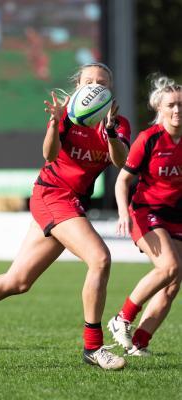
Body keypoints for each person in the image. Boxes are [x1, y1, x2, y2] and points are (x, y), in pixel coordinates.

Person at [0, 62, 131, 370]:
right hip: (52, 195)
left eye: (103, 83)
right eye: (90, 81)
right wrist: (55, 124)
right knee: (100, 258)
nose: (96, 86)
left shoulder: (116, 122)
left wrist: (110, 130)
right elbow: (49, 155)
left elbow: (119, 160)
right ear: (78, 86)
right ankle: (93, 348)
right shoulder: (67, 115)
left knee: (17, 281)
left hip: (71, 202)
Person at [108, 75, 182, 356]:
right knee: (169, 267)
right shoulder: (148, 139)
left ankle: (139, 344)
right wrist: (122, 213)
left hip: (176, 216)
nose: (177, 110)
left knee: (172, 285)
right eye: (171, 105)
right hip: (146, 213)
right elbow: (122, 181)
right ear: (159, 110)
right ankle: (122, 318)